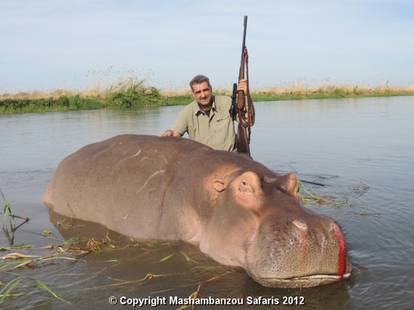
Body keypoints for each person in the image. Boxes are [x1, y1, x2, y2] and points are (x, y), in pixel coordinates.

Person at [161, 74, 247, 152]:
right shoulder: (187, 111)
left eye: (205, 90)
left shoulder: (227, 102)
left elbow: (247, 121)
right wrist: (169, 134)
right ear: (193, 94)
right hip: (202, 162)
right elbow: (175, 132)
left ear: (211, 89)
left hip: (230, 158)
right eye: (198, 92)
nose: (203, 95)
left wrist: (246, 95)